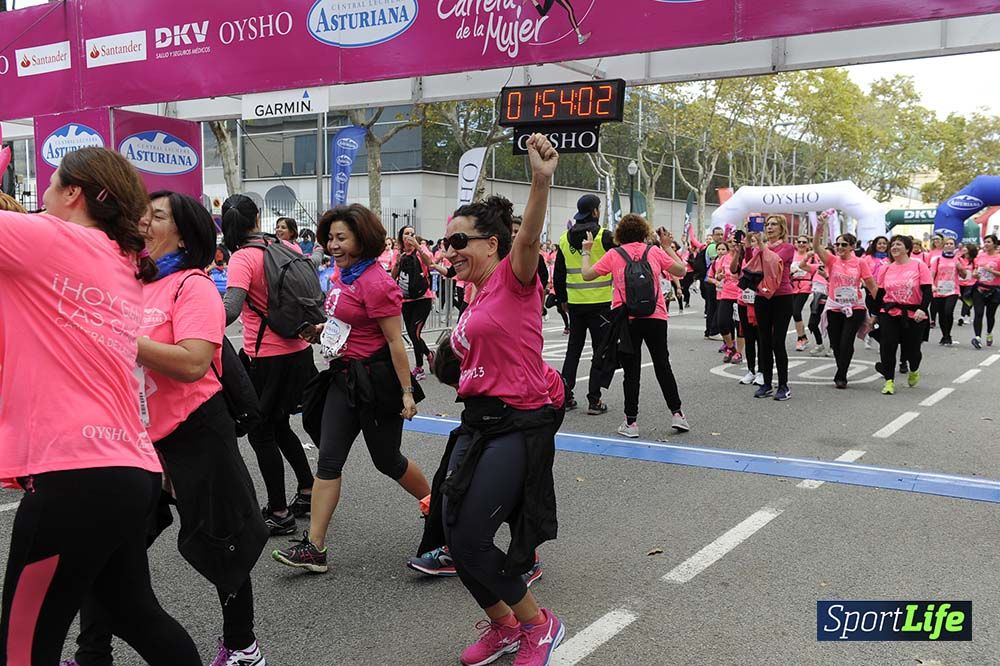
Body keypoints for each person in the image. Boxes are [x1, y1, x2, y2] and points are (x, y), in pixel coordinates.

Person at [0, 147, 200, 664]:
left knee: (22, 646)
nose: (40, 197)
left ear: (73, 194)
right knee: (136, 615)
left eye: (49, 186)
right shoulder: (121, 262)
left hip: (74, 472)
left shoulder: (50, 238)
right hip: (128, 470)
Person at [71, 192, 269, 665]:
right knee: (106, 548)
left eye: (156, 216)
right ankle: (91, 654)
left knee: (223, 543)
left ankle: (243, 646)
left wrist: (120, 336)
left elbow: (194, 362)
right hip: (139, 439)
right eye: (143, 213)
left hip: (198, 433)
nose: (143, 221)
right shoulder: (134, 282)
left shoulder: (192, 285)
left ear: (184, 231)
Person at [418, 134, 567, 666]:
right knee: (454, 539)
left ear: (490, 245)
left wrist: (541, 178)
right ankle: (504, 626)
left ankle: (539, 626)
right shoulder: (471, 297)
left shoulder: (514, 277)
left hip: (518, 422)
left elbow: (528, 236)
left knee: (476, 535)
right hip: (477, 424)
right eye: (446, 243)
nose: (450, 251)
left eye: (460, 242)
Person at [272, 204, 431, 575]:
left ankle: (437, 507)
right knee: (328, 460)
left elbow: (395, 342)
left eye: (341, 238)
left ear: (363, 239)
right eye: (330, 238)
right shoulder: (342, 275)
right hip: (342, 378)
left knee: (387, 460)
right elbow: (344, 323)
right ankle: (315, 548)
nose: (333, 245)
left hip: (375, 383)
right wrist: (320, 332)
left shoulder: (378, 282)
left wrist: (407, 392)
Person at [222, 194, 316, 536]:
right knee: (279, 426)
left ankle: (278, 511)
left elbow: (231, 308)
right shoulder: (287, 248)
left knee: (261, 432)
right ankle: (307, 490)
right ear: (257, 217)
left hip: (266, 357)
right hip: (300, 349)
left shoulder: (243, 258)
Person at [581, 214, 690, 437]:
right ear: (643, 232)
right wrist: (668, 247)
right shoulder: (654, 251)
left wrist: (586, 251)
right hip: (656, 315)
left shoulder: (614, 254)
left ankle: (631, 423)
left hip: (627, 319)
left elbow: (586, 275)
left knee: (631, 371)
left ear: (620, 234)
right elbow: (681, 271)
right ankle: (678, 414)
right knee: (663, 365)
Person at [553, 193, 615, 414]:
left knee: (573, 351)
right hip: (601, 304)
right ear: (595, 211)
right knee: (599, 352)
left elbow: (558, 274)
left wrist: (562, 300)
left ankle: (565, 396)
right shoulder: (604, 236)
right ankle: (594, 400)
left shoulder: (563, 238)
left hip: (575, 303)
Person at [812, 214, 876, 389]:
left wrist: (880, 305)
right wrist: (820, 226)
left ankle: (841, 375)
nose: (839, 247)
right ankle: (842, 368)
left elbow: (870, 284)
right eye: (837, 244)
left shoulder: (860, 263)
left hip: (854, 307)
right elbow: (816, 246)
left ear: (852, 247)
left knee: (846, 341)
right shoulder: (832, 260)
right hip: (834, 307)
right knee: (836, 343)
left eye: (844, 245)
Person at [874, 235, 932, 394]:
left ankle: (914, 369)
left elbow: (927, 291)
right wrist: (874, 314)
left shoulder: (919, 266)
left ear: (907, 248)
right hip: (889, 311)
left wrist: (923, 309)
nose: (894, 247)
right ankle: (889, 381)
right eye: (892, 245)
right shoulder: (885, 268)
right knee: (887, 345)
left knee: (912, 350)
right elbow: (880, 293)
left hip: (914, 313)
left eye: (898, 244)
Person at [753, 215, 796, 401]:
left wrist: (760, 245)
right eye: (767, 224)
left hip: (782, 297)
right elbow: (749, 266)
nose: (769, 227)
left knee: (778, 341)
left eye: (773, 225)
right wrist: (746, 246)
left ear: (782, 228)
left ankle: (784, 385)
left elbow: (772, 261)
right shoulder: (758, 247)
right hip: (761, 296)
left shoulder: (787, 248)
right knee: (764, 342)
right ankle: (767, 383)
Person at [392, 225, 436, 380]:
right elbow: (393, 275)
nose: (409, 236)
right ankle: (429, 355)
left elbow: (430, 263)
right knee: (412, 333)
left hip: (423, 298)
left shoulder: (421, 249)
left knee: (415, 332)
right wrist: (398, 262)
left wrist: (418, 246)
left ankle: (419, 367)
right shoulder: (399, 253)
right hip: (406, 299)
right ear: (401, 237)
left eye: (412, 233)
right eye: (406, 233)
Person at [734, 233, 763, 385]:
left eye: (754, 241)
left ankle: (762, 371)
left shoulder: (764, 256)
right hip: (743, 301)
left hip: (759, 301)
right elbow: (733, 270)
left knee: (761, 338)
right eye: (748, 241)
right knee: (748, 338)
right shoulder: (743, 258)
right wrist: (738, 251)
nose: (751, 244)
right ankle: (751, 370)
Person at [707, 241, 741, 362]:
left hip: (740, 294)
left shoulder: (745, 256)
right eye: (730, 241)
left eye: (735, 241)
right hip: (725, 294)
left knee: (739, 326)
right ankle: (731, 347)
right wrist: (719, 277)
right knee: (722, 322)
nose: (733, 244)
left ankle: (739, 353)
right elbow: (716, 275)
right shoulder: (723, 258)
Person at [929, 237, 965, 346]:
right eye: (947, 244)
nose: (949, 245)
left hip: (953, 290)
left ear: (955, 246)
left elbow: (963, 275)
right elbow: (932, 274)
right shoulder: (938, 259)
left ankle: (948, 334)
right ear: (943, 246)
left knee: (948, 312)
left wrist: (961, 268)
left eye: (951, 244)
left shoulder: (958, 259)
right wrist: (932, 285)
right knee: (941, 314)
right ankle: (944, 335)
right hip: (939, 290)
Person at [971, 234, 1000, 349]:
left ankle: (988, 332)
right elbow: (975, 270)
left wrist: (991, 271)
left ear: (994, 244)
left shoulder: (998, 257)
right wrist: (975, 274)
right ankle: (977, 337)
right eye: (985, 242)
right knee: (978, 313)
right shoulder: (980, 256)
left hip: (994, 290)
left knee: (990, 315)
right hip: (980, 288)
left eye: (988, 242)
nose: (986, 244)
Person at [790, 234, 816, 351]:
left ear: (808, 244)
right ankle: (803, 336)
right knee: (794, 312)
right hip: (792, 285)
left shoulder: (811, 256)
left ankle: (801, 338)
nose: (801, 244)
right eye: (799, 241)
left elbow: (817, 269)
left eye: (804, 242)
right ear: (796, 243)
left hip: (805, 285)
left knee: (796, 311)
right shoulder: (792, 255)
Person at [957, 243, 978, 327]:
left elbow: (976, 269)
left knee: (966, 297)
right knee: (964, 299)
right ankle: (967, 315)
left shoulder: (974, 260)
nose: (964, 249)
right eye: (964, 248)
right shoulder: (959, 258)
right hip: (960, 282)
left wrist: (975, 273)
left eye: (966, 248)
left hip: (971, 282)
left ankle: (962, 316)